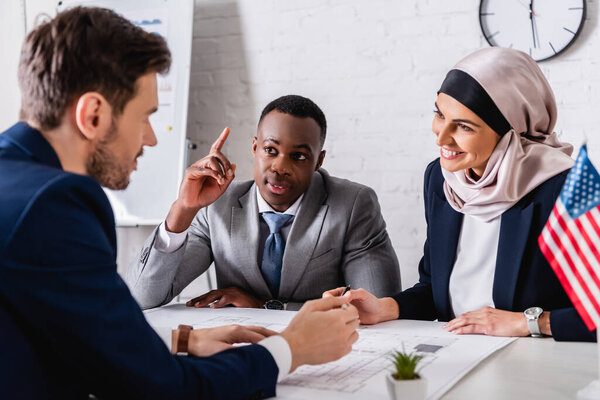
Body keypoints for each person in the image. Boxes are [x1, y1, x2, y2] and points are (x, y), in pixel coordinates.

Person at [0, 7, 360, 400]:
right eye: (145, 117)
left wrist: (180, 340)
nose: (151, 138)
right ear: (94, 114)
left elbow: (69, 333)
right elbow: (163, 387)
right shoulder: (55, 204)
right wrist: (291, 348)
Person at [325, 47, 596, 342]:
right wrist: (384, 307)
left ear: (511, 131)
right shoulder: (440, 179)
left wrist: (529, 323)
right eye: (440, 114)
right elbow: (434, 289)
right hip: (457, 350)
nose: (441, 137)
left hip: (537, 361)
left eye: (464, 126)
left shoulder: (566, 188)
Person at [126, 94, 401, 311]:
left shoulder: (353, 206)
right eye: (271, 150)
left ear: (319, 160)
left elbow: (376, 309)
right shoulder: (217, 207)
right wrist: (183, 210)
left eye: (299, 156)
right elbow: (141, 297)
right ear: (255, 147)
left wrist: (267, 307)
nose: (280, 167)